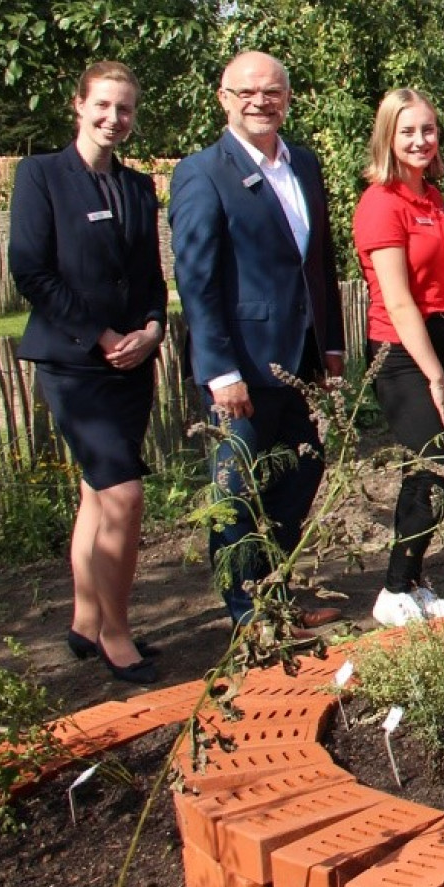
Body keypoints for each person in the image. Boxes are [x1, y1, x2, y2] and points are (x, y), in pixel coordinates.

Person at [170, 51, 345, 631]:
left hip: (296, 358)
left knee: (304, 465)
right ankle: (250, 614)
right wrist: (219, 370)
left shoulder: (306, 165)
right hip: (240, 366)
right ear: (223, 98)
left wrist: (332, 346)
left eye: (271, 92)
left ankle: (276, 587)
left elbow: (319, 263)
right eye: (245, 92)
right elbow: (196, 278)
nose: (259, 101)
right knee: (235, 488)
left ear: (287, 99)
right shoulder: (203, 172)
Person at [8, 61, 167, 684]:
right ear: (78, 105)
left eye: (124, 109)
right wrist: (100, 336)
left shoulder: (136, 187)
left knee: (96, 493)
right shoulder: (42, 175)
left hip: (133, 360)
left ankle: (82, 620)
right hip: (75, 363)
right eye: (103, 105)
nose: (113, 118)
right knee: (124, 494)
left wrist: (152, 330)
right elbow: (31, 271)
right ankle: (116, 633)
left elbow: (152, 277)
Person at [353, 90, 444, 626]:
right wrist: (434, 374)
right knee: (436, 474)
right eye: (407, 132)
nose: (420, 141)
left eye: (428, 129)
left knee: (425, 471)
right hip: (403, 351)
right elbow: (398, 300)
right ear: (387, 138)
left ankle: (414, 585)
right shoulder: (381, 202)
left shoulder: (434, 198)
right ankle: (393, 590)